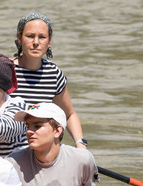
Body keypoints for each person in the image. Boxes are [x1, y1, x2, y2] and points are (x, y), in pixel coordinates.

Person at [11, 12, 89, 150]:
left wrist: (80, 143)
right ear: (19, 38)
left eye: (42, 37)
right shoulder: (4, 70)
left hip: (39, 152)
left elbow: (69, 114)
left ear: (49, 41)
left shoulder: (53, 73)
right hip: (5, 152)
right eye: (30, 36)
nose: (36, 42)